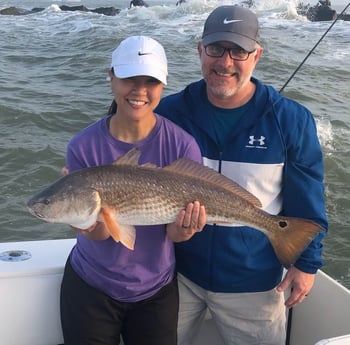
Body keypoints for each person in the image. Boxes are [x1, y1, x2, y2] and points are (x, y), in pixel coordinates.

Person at [156, 5, 328, 345]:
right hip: (177, 275)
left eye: (239, 50)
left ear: (257, 54)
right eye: (216, 49)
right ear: (200, 50)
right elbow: (130, 157)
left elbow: (308, 199)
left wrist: (306, 263)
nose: (225, 62)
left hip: (254, 282)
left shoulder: (291, 120)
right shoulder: (169, 112)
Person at [60, 35, 205, 345]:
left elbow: (174, 234)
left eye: (150, 80)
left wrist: (185, 229)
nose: (139, 90)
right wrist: (87, 224)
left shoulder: (182, 146)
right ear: (112, 76)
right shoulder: (83, 146)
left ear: (163, 84)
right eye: (129, 78)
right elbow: (100, 234)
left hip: (156, 290)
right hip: (91, 286)